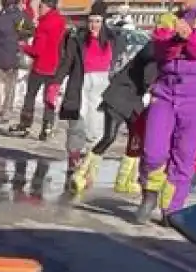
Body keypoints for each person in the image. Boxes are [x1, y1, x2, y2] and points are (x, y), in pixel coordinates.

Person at [133, 0, 196, 224]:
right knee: (153, 150)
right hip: (165, 92)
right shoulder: (167, 18)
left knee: (184, 155)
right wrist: (178, 41)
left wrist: (188, 37)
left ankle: (172, 209)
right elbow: (162, 51)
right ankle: (150, 194)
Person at [59, 1, 119, 193]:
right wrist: (55, 81)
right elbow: (67, 62)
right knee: (76, 124)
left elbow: (119, 65)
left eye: (97, 21)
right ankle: (73, 165)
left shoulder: (112, 39)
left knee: (97, 129)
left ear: (104, 22)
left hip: (102, 86)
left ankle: (90, 169)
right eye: (91, 21)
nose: (93, 25)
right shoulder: (78, 38)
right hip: (80, 84)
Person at [97, 39, 159, 195]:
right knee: (109, 137)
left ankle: (125, 180)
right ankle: (83, 174)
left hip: (132, 101)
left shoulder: (156, 51)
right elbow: (147, 78)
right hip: (120, 96)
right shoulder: (154, 50)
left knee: (137, 139)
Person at [13, 0, 68, 140]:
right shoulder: (61, 22)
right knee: (49, 99)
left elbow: (37, 50)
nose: (38, 9)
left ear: (48, 7)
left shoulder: (45, 25)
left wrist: (24, 46)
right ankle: (47, 128)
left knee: (30, 96)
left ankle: (25, 124)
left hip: (40, 67)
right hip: (55, 67)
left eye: (41, 6)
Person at [0, 0, 27, 122]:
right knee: (10, 87)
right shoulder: (22, 17)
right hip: (14, 56)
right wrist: (21, 38)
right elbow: (30, 31)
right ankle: (7, 112)